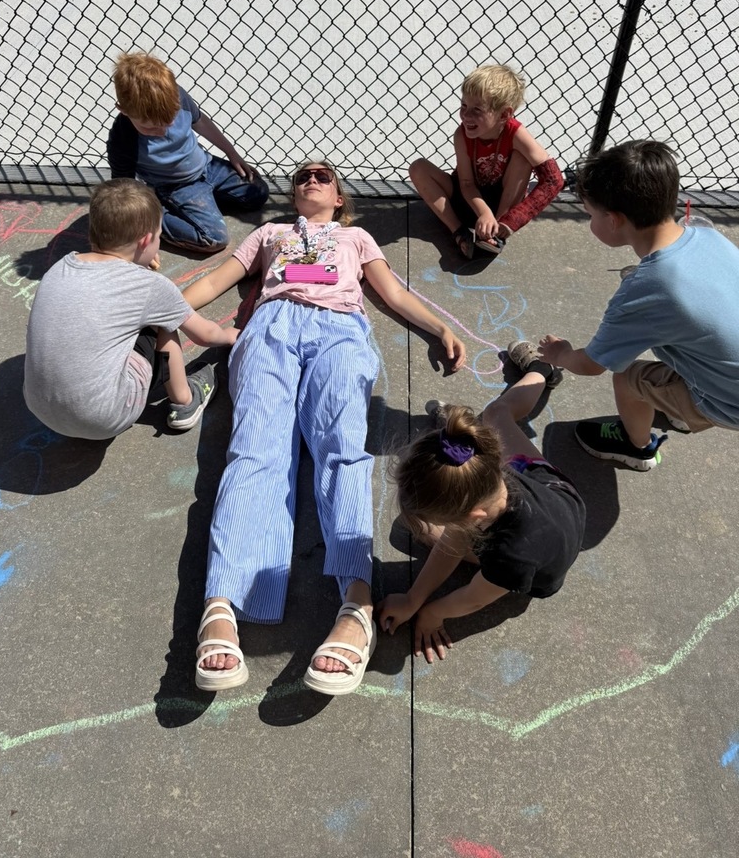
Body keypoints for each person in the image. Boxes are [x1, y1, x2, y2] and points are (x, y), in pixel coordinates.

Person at [183, 159, 466, 695]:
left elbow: (393, 294)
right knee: (255, 452)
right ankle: (222, 600)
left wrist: (439, 327)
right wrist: (154, 307)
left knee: (342, 451)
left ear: (339, 198)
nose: (310, 180)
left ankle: (356, 600)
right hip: (271, 324)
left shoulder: (356, 238)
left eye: (323, 176)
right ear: (294, 196)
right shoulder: (268, 234)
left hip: (338, 330)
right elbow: (217, 280)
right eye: (302, 176)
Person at [377, 341, 584, 663]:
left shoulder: (512, 559)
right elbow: (458, 533)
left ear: (474, 517)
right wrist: (412, 597)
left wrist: (431, 612)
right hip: (552, 487)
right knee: (496, 413)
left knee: (425, 532)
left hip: (540, 561)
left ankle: (540, 373)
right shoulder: (487, 469)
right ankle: (541, 371)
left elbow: (473, 599)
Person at [538, 140, 739, 471]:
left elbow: (593, 364)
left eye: (590, 215)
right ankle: (683, 410)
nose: (590, 223)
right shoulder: (707, 235)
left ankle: (639, 447)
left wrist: (561, 354)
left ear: (614, 220)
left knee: (628, 379)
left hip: (728, 401)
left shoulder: (646, 290)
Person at [24, 180, 238, 439]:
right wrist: (232, 335)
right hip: (103, 417)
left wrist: (137, 261)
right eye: (158, 237)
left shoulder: (60, 268)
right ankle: (185, 400)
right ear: (146, 240)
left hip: (39, 409)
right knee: (163, 322)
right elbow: (204, 335)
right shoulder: (150, 286)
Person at [108, 51, 269, 254]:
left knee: (258, 193)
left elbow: (200, 121)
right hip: (177, 186)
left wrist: (232, 153)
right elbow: (124, 188)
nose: (162, 131)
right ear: (123, 109)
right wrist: (140, 227)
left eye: (168, 122)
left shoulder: (177, 96)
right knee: (214, 239)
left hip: (208, 168)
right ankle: (156, 214)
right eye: (149, 128)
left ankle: (203, 202)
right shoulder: (123, 139)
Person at [408, 63, 564, 259]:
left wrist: (513, 219)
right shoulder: (462, 134)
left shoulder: (516, 134)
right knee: (418, 168)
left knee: (523, 156)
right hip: (469, 200)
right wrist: (483, 212)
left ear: (504, 114)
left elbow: (553, 180)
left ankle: (496, 233)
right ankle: (459, 232)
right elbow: (466, 184)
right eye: (464, 106)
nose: (466, 115)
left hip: (502, 206)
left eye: (477, 110)